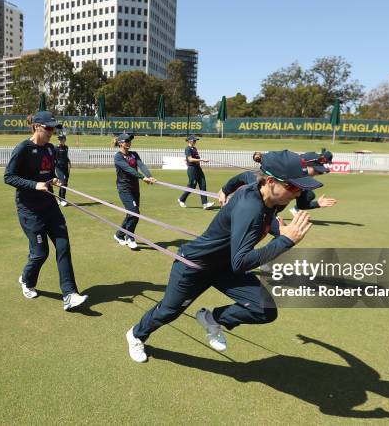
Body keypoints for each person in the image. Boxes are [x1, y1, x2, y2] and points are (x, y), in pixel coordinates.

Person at [126, 150, 322, 363]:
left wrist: (225, 190)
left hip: (224, 265)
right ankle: (136, 334)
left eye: (301, 187)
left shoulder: (264, 190)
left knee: (264, 310)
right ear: (271, 181)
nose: (297, 193)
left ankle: (212, 319)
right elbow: (242, 262)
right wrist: (285, 241)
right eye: (293, 187)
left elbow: (244, 177)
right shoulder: (251, 208)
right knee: (168, 312)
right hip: (195, 266)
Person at [4, 110, 88, 312]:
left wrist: (54, 179)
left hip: (50, 206)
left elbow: (49, 172)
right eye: (48, 128)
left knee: (64, 246)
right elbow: (8, 177)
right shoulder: (22, 148)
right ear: (36, 126)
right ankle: (26, 279)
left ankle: (70, 294)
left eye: (53, 128)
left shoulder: (50, 149)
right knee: (40, 254)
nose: (51, 131)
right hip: (30, 210)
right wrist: (35, 185)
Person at [218, 150, 337, 213]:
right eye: (316, 171)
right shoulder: (259, 183)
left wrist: (317, 204)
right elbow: (244, 176)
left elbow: (302, 204)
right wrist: (224, 191)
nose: (316, 174)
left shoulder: (302, 185)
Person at [113, 133, 156, 250]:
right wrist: (142, 178)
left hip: (135, 188)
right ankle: (130, 237)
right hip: (124, 188)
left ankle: (119, 234)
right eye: (126, 141)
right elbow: (128, 169)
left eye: (130, 140)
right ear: (121, 143)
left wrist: (149, 176)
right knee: (134, 212)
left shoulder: (134, 154)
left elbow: (141, 165)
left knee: (132, 214)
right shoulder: (118, 157)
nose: (129, 142)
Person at [177, 135, 215, 210]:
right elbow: (190, 159)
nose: (195, 141)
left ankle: (205, 203)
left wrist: (201, 160)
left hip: (198, 169)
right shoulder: (187, 149)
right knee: (192, 186)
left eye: (195, 140)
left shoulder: (194, 148)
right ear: (190, 141)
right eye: (194, 140)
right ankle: (181, 199)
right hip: (192, 169)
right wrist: (202, 160)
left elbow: (195, 158)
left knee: (203, 185)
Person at [55, 133, 71, 207]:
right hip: (59, 168)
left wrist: (69, 162)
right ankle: (62, 200)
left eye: (61, 139)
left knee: (64, 183)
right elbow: (54, 158)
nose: (60, 141)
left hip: (65, 168)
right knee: (63, 182)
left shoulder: (66, 147)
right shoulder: (56, 148)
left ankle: (59, 199)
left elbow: (66, 157)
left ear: (64, 140)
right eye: (59, 139)